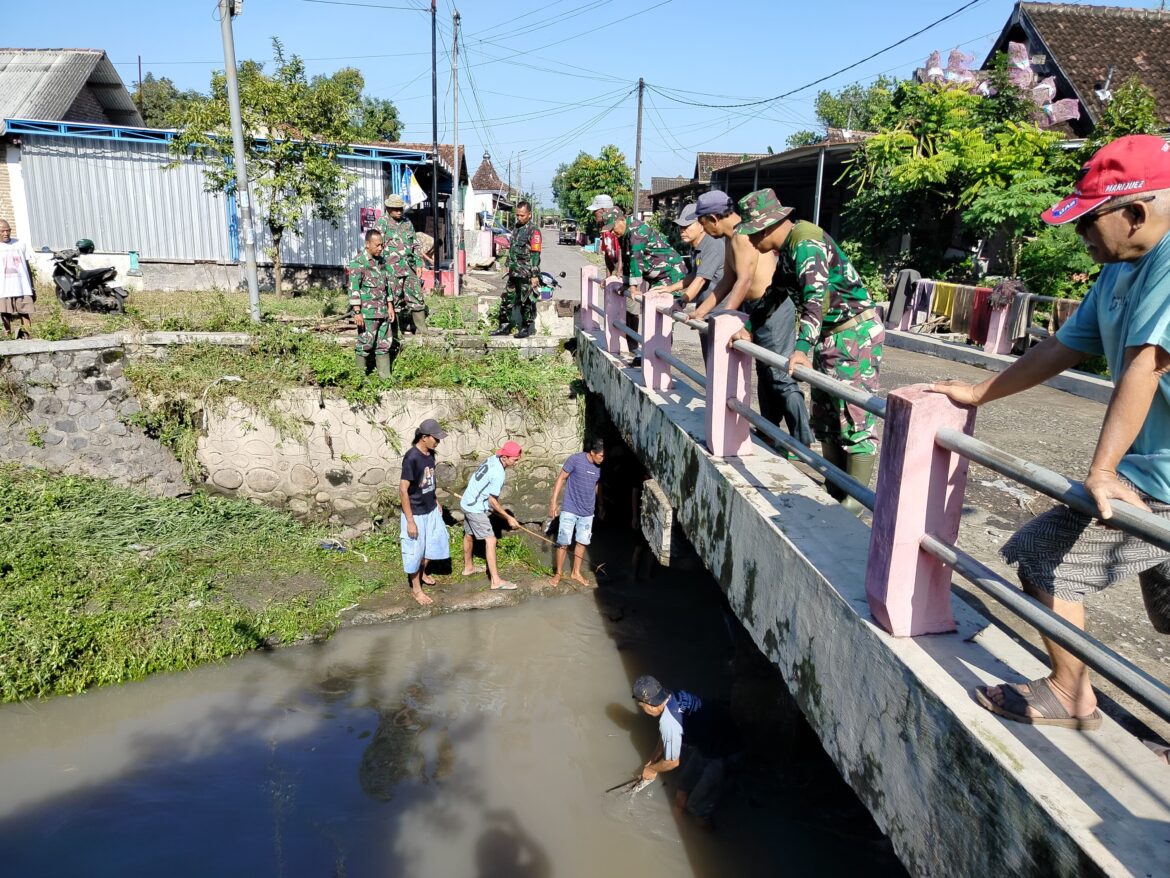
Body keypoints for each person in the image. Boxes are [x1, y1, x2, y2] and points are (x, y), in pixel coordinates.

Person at [932, 134, 1170, 731]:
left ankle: (1069, 692)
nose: (1081, 237)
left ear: (1135, 212)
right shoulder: (1120, 271)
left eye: (1089, 222)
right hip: (1152, 467)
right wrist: (978, 391)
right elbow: (1065, 346)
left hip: (1158, 477)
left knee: (1044, 555)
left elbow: (1148, 363)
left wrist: (1104, 470)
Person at [731, 188, 882, 512]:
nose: (751, 242)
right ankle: (834, 493)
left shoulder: (806, 242)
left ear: (768, 226)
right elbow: (774, 296)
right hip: (829, 336)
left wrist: (800, 348)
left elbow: (816, 299)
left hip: (853, 333)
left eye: (753, 234)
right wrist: (750, 327)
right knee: (826, 418)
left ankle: (853, 505)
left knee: (853, 419)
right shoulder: (788, 251)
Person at [694, 190, 812, 452]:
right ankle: (769, 431)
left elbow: (744, 279)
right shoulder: (729, 239)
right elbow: (726, 281)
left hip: (774, 308)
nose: (701, 229)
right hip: (757, 309)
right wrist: (700, 312)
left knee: (780, 375)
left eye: (701, 223)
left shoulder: (742, 235)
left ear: (713, 218)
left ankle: (803, 441)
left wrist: (725, 316)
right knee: (764, 371)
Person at [632, 675, 725, 828]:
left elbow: (672, 762)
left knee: (696, 806)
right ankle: (676, 818)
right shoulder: (672, 696)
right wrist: (653, 758)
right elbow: (665, 736)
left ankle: (702, 830)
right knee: (682, 784)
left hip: (722, 752)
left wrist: (651, 769)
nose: (643, 710)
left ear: (648, 704)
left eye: (641, 707)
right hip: (709, 739)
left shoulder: (669, 721)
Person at [604, 207, 686, 361]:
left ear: (621, 220)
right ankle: (652, 356)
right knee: (653, 316)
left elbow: (636, 259)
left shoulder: (637, 231)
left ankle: (659, 358)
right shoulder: (624, 233)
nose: (612, 233)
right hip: (656, 277)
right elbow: (627, 258)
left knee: (663, 318)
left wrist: (634, 288)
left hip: (670, 274)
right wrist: (626, 284)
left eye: (613, 228)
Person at [663, 202, 725, 363]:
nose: (682, 231)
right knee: (710, 364)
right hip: (706, 312)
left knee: (717, 365)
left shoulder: (713, 245)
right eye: (680, 227)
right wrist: (669, 289)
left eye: (687, 226)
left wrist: (682, 300)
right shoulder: (696, 245)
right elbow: (694, 275)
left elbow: (700, 280)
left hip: (721, 313)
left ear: (702, 225)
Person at [400, 418, 451, 606]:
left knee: (434, 545)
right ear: (424, 437)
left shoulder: (430, 455)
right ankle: (416, 589)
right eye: (435, 438)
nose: (438, 442)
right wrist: (410, 521)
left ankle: (423, 573)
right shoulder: (411, 457)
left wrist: (436, 501)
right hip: (416, 513)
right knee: (415, 551)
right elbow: (403, 490)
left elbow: (430, 481)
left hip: (430, 510)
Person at [460, 441, 524, 590]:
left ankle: (468, 568)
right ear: (505, 457)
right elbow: (492, 501)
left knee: (469, 535)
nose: (516, 463)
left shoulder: (493, 458)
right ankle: (496, 581)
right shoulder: (498, 473)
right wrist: (508, 517)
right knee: (491, 540)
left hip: (467, 501)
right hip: (474, 508)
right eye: (515, 460)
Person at [548, 439, 605, 587]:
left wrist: (600, 505)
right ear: (592, 453)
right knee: (563, 542)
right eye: (601, 456)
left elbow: (597, 485)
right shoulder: (575, 459)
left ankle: (576, 572)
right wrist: (553, 503)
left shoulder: (599, 467)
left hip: (587, 512)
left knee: (581, 542)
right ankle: (558, 574)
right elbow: (561, 478)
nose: (602, 459)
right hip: (570, 508)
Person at [347, 228, 396, 377]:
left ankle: (385, 378)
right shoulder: (358, 263)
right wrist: (357, 312)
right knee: (364, 345)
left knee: (384, 344)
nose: (380, 248)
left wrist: (390, 306)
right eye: (377, 245)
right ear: (367, 244)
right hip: (367, 314)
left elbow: (386, 286)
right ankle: (359, 379)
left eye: (382, 245)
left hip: (383, 312)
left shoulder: (382, 262)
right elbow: (353, 289)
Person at [377, 194, 426, 335]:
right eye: (396, 209)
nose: (399, 211)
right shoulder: (382, 223)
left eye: (401, 208)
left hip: (408, 267)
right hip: (391, 269)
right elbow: (376, 247)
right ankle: (395, 332)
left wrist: (418, 263)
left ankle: (422, 329)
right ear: (388, 208)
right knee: (394, 298)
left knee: (416, 295)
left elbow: (415, 244)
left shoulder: (407, 222)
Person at [495, 201, 542, 338]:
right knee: (507, 299)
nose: (519, 218)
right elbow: (513, 249)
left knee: (526, 301)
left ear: (529, 215)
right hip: (514, 272)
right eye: (517, 215)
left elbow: (535, 254)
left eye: (522, 215)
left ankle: (526, 328)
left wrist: (534, 275)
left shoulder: (534, 231)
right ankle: (504, 326)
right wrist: (508, 265)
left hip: (526, 273)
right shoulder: (516, 228)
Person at [0, 219, 35, 339]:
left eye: (8, 230)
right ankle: (8, 337)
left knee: (24, 313)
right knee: (4, 313)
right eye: (2, 231)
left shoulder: (20, 244)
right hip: (3, 288)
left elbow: (27, 266)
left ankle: (28, 335)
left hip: (22, 286)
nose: (6, 233)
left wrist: (32, 286)